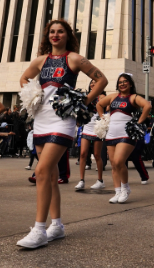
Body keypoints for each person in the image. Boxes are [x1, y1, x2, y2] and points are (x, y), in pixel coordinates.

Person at [17, 19, 107, 249]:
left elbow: (101, 79)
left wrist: (84, 101)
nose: (56, 35)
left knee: (42, 171)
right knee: (51, 177)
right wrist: (32, 94)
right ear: (48, 36)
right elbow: (24, 78)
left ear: (68, 35)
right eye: (52, 32)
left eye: (61, 32)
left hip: (62, 118)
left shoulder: (74, 58)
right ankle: (56, 225)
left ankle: (39, 229)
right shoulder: (40, 60)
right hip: (41, 118)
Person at [97, 73, 152, 205]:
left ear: (130, 84)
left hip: (126, 133)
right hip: (111, 133)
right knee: (113, 164)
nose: (122, 84)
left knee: (119, 161)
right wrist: (103, 117)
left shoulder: (133, 97)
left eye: (125, 81)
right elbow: (99, 105)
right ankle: (117, 191)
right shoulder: (113, 97)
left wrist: (139, 122)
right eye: (120, 82)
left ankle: (125, 188)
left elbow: (147, 106)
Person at [75, 88, 106, 192]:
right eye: (92, 82)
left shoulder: (102, 96)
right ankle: (81, 180)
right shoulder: (86, 97)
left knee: (97, 155)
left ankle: (100, 181)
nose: (93, 84)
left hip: (98, 128)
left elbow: (107, 108)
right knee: (83, 154)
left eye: (95, 83)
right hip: (87, 127)